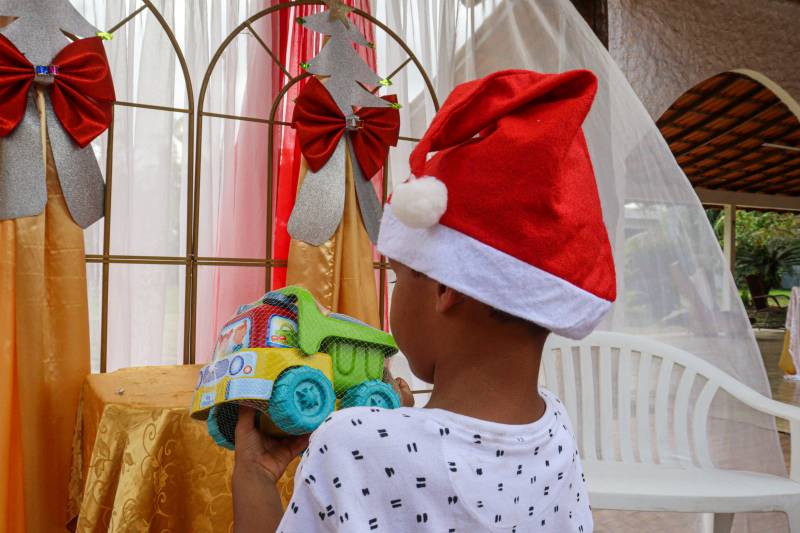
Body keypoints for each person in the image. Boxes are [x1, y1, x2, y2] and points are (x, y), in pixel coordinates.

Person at [232, 68, 616, 532]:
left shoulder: (352, 442)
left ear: (444, 289)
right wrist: (406, 428)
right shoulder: (555, 427)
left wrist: (254, 478)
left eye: (398, 277)